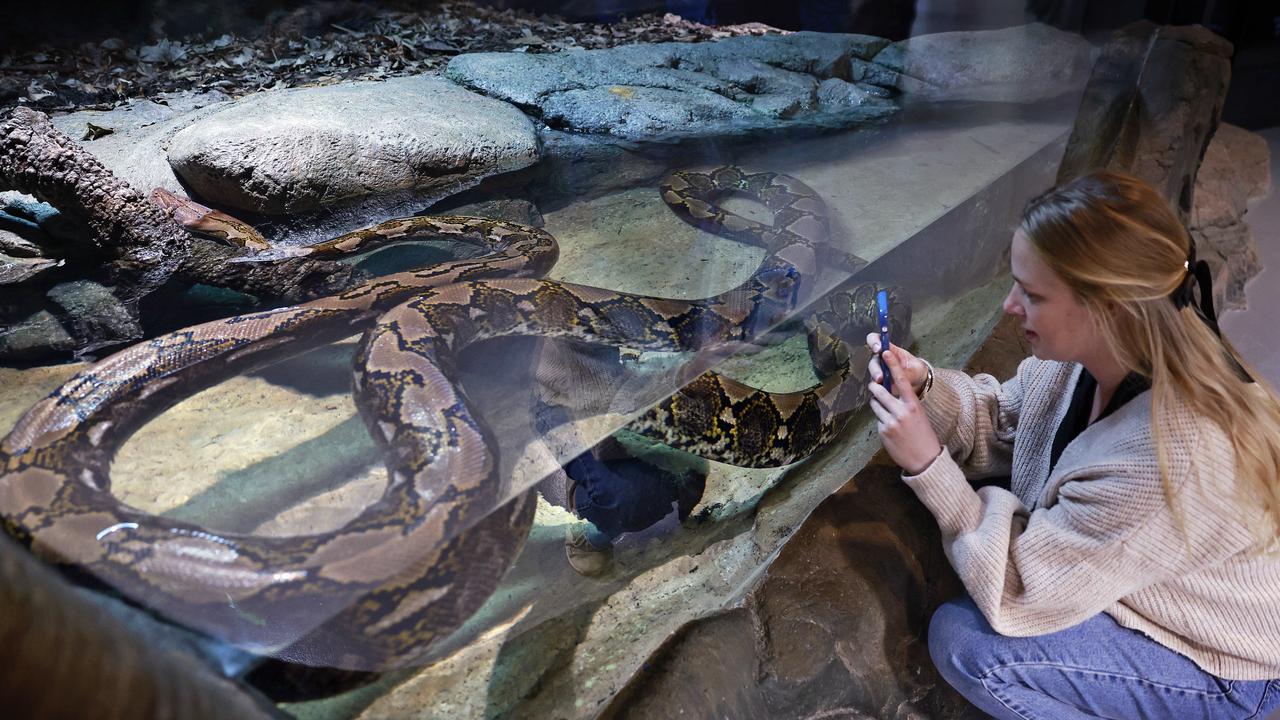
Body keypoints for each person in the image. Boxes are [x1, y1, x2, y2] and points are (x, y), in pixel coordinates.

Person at [865, 169, 1280, 719]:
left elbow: (1019, 591)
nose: (1010, 306)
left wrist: (929, 466)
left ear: (1107, 308)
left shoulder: (1165, 459)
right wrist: (926, 389)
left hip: (1232, 667)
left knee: (967, 646)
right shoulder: (1098, 357)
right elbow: (1010, 420)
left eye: (1032, 294)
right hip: (1153, 569)